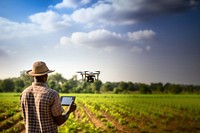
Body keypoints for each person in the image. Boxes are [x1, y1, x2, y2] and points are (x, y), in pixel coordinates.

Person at [20, 61, 76, 133]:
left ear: (34, 76)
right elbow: (59, 121)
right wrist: (69, 111)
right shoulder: (52, 94)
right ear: (46, 76)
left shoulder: (24, 93)